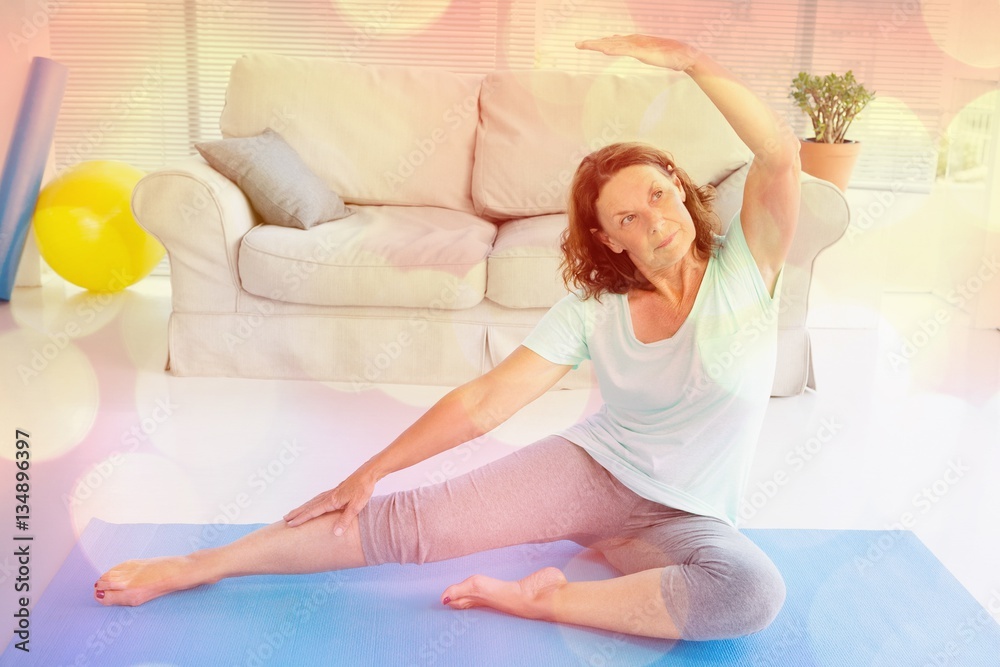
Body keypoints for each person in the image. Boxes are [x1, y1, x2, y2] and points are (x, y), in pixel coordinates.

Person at [93, 34, 801, 641]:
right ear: (609, 241)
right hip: (593, 473)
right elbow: (487, 401)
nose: (653, 221)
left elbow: (780, 154)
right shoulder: (596, 307)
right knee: (410, 524)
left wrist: (692, 60)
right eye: (626, 219)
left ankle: (550, 596)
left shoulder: (748, 266)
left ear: (679, 186)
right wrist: (368, 473)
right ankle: (200, 565)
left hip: (690, 517)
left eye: (656, 194)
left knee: (750, 592)